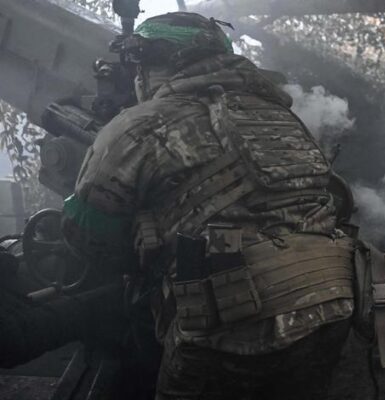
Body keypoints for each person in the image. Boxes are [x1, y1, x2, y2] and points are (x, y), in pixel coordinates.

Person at [62, 12, 354, 400]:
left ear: (155, 64)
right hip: (330, 310)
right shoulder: (284, 116)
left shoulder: (138, 124)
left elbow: (87, 237)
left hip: (229, 329)